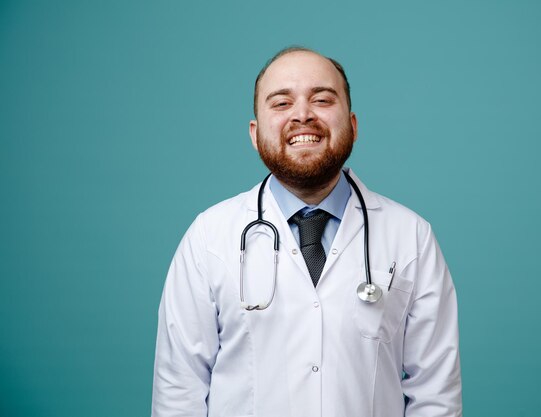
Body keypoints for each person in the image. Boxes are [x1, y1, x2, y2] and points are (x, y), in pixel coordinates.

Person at [152, 47, 462, 417]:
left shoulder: (411, 236)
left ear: (353, 125)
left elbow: (435, 396)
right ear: (255, 133)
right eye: (281, 103)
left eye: (322, 99)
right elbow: (178, 392)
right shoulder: (209, 237)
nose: (302, 115)